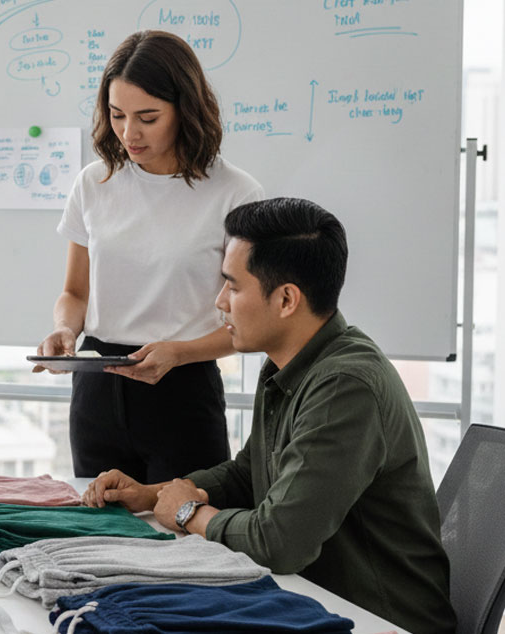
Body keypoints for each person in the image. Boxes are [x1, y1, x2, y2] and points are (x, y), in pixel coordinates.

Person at [82, 198, 457, 634]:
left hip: (380, 619)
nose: (220, 302)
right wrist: (152, 495)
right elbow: (249, 474)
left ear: (285, 300)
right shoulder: (289, 362)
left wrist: (186, 513)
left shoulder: (345, 386)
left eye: (233, 287)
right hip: (315, 601)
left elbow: (278, 543)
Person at [35, 30, 263, 481]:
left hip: (183, 389)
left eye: (148, 117)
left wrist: (178, 353)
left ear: (185, 109)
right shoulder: (92, 183)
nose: (128, 133)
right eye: (117, 115)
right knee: (101, 539)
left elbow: (248, 323)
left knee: (188, 542)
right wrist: (64, 329)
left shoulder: (236, 193)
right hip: (97, 388)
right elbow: (74, 292)